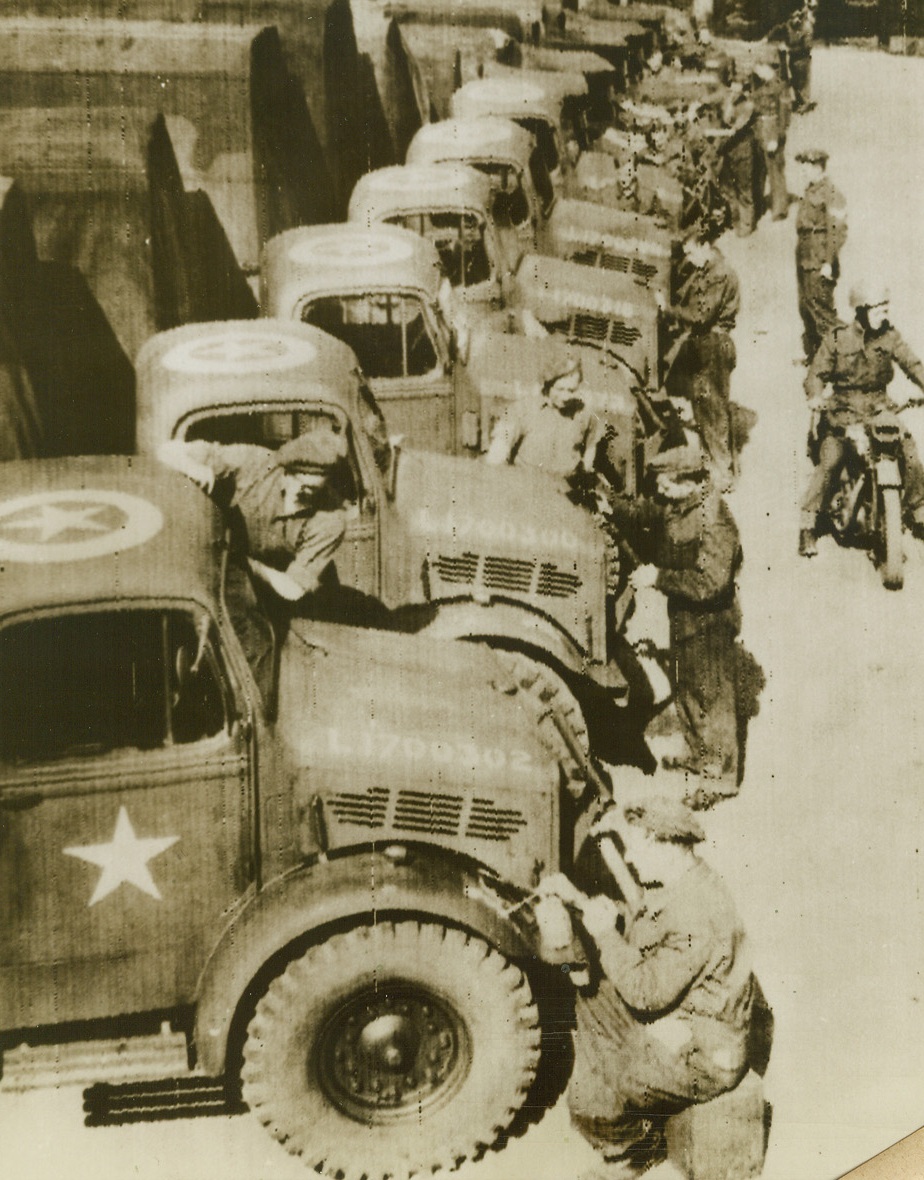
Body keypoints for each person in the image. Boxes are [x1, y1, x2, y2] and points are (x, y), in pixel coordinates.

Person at [538, 796, 756, 1180]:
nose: (632, 859)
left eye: (637, 847)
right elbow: (647, 928)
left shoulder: (696, 912)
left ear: (663, 843)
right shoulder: (684, 880)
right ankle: (624, 1083)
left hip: (703, 1053)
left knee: (590, 1101)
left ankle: (634, 1153)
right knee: (590, 996)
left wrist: (604, 931)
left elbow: (644, 993)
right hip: (685, 1016)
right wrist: (581, 902)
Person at [604, 442, 743, 805]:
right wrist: (610, 505)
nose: (660, 490)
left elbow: (712, 583)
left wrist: (658, 578)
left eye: (666, 484)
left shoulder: (715, 520)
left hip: (710, 618)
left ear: (689, 481)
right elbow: (643, 513)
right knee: (686, 686)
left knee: (713, 697)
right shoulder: (677, 502)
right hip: (684, 612)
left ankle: (719, 778)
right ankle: (699, 753)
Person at [799, 284, 924, 556]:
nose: (886, 313)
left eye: (886, 308)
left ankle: (918, 509)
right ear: (864, 310)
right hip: (843, 411)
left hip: (880, 408)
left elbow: (912, 363)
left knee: (908, 450)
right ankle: (808, 524)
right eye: (880, 308)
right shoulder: (837, 338)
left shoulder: (890, 336)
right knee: (830, 461)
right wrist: (816, 396)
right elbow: (816, 374)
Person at [158, 426, 350, 602]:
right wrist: (197, 470)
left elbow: (293, 589)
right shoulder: (256, 462)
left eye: (312, 490)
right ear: (285, 470)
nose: (300, 492)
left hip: (278, 591)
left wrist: (247, 564)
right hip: (221, 572)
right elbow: (167, 451)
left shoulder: (331, 518)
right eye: (296, 481)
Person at [661, 221, 740, 489]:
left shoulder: (718, 273)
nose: (690, 260)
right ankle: (714, 466)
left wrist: (668, 309)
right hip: (707, 344)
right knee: (704, 405)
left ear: (705, 246)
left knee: (712, 409)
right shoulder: (708, 268)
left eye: (692, 253)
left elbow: (699, 314)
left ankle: (722, 473)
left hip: (714, 347)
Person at [484, 356, 603, 492]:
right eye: (560, 389)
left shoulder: (584, 413)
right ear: (547, 384)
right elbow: (497, 453)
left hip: (567, 494)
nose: (565, 397)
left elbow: (590, 447)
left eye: (571, 390)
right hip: (528, 491)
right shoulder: (522, 409)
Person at [794, 149, 847, 363]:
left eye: (806, 167)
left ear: (817, 167)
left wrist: (828, 262)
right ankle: (817, 358)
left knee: (823, 312)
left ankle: (844, 360)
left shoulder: (832, 193)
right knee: (806, 307)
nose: (803, 171)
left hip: (819, 259)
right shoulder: (811, 190)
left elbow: (838, 231)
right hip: (805, 257)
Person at [716, 81, 758, 237]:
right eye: (731, 86)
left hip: (742, 151)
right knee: (728, 188)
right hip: (728, 151)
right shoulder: (727, 100)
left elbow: (736, 125)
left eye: (737, 88)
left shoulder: (748, 105)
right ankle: (734, 219)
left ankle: (747, 224)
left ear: (743, 89)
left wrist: (729, 130)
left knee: (744, 189)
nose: (733, 90)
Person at [750, 62, 791, 222]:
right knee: (759, 171)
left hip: (772, 131)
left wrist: (777, 138)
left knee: (775, 170)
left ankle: (780, 208)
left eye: (761, 68)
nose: (758, 71)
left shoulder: (780, 87)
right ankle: (759, 206)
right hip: (758, 130)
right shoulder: (757, 82)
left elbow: (785, 116)